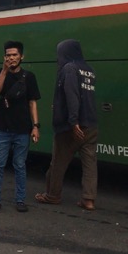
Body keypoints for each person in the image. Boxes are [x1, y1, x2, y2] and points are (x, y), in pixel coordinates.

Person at [0, 41, 41, 213]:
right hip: (3, 128)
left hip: (22, 129)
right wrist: (4, 72)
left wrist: (35, 126)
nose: (11, 58)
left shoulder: (29, 77)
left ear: (22, 57)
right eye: (8, 55)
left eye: (14, 55)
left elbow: (32, 103)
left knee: (19, 164)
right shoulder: (0, 73)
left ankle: (20, 200)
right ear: (4, 57)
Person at [35, 39, 98, 211]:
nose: (58, 58)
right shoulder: (89, 70)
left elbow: (72, 95)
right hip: (91, 124)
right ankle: (89, 199)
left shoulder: (69, 69)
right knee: (90, 164)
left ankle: (52, 195)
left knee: (58, 163)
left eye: (59, 54)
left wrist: (73, 121)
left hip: (71, 127)